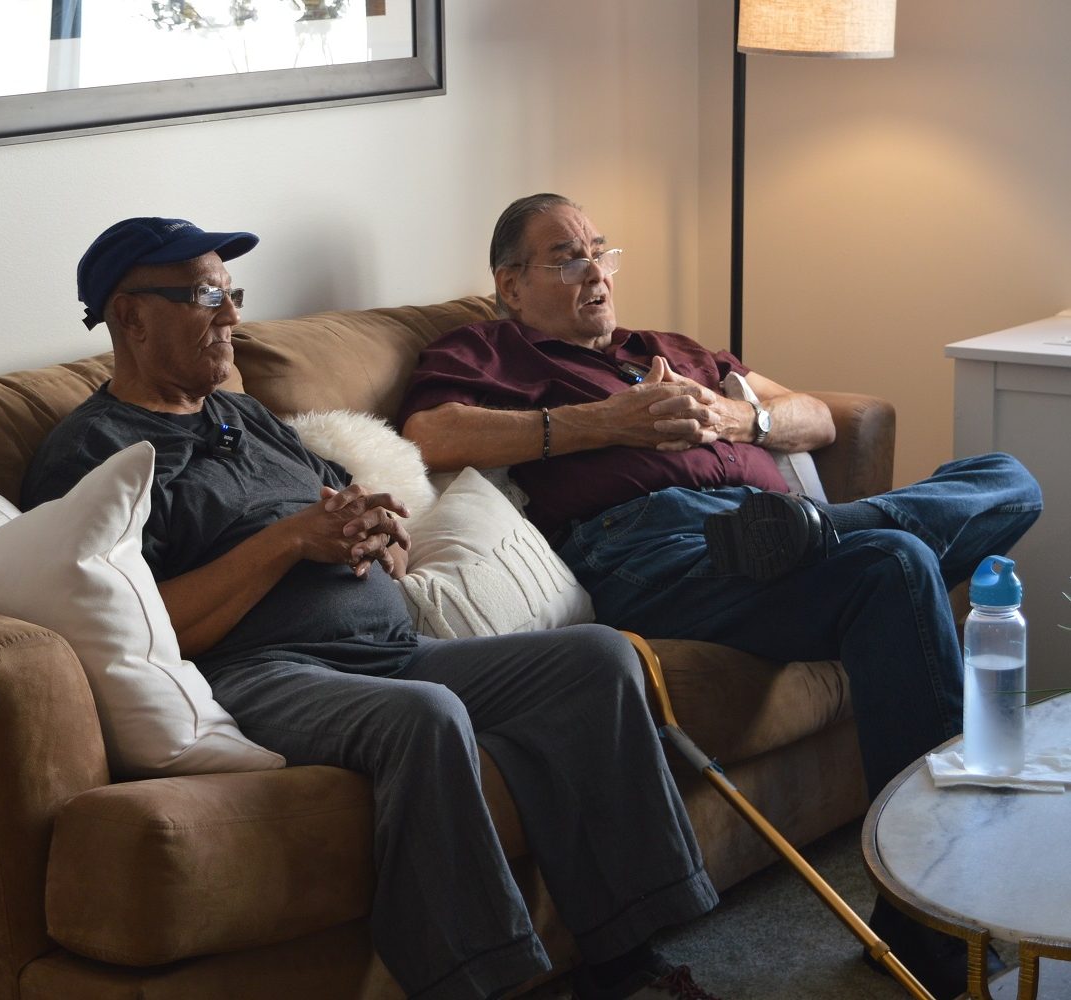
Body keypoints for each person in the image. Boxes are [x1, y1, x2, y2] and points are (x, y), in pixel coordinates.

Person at [20, 217, 727, 1000]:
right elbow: (140, 625)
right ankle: (473, 983)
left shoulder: (243, 416)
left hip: (389, 651)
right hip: (255, 674)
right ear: (130, 316)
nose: (230, 316)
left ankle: (628, 964)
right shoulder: (96, 453)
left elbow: (360, 515)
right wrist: (289, 542)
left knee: (600, 657)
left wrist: (378, 536)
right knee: (424, 718)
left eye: (231, 293)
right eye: (204, 295)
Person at [397, 193, 1044, 999]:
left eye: (600, 250)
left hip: (762, 525)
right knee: (896, 562)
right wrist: (609, 422)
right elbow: (431, 435)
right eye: (567, 259)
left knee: (1008, 479)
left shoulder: (668, 348)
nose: (595, 272)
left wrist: (741, 418)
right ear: (511, 284)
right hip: (653, 551)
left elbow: (817, 419)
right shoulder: (490, 352)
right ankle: (933, 902)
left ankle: (810, 533)